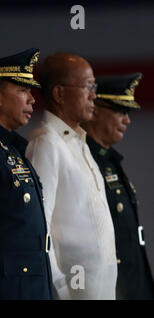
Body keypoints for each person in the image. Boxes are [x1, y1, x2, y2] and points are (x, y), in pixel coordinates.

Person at [26, 53, 117, 299]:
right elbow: (39, 228)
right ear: (59, 94)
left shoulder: (80, 143)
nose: (94, 95)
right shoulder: (46, 144)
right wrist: (61, 290)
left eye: (94, 87)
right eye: (88, 87)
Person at [0, 48, 54, 299]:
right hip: (5, 287)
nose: (32, 99)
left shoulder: (10, 146)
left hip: (31, 284)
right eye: (23, 90)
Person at [82, 73, 154, 299]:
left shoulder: (110, 161)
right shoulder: (83, 160)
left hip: (133, 283)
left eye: (128, 113)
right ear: (94, 109)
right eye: (120, 111)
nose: (127, 120)